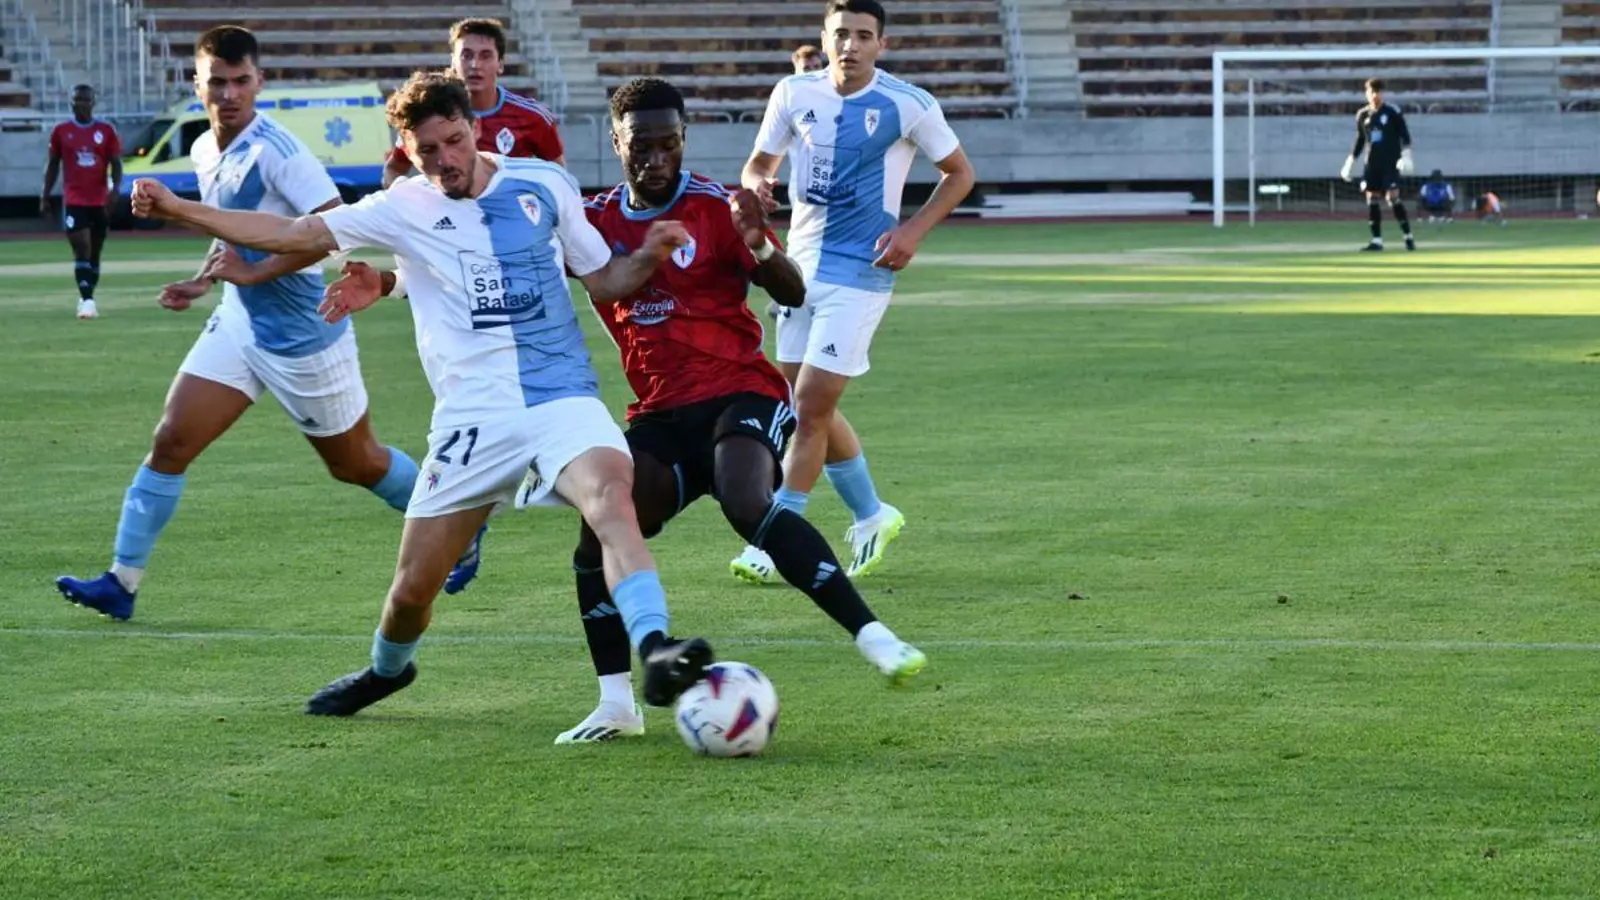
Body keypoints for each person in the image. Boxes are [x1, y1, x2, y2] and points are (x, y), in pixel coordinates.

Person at [325, 77, 929, 742]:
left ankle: (875, 637)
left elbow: (793, 292)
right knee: (598, 534)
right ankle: (617, 703)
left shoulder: (716, 207)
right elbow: (492, 269)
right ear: (617, 143)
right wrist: (388, 282)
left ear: (684, 139)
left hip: (740, 393)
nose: (656, 157)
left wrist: (759, 243)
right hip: (659, 414)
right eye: (642, 145)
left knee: (745, 499)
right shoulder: (591, 217)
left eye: (669, 143)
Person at [130, 69, 712, 716]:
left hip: (560, 397)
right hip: (471, 418)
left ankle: (656, 647)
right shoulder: (403, 206)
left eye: (454, 142)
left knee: (610, 500)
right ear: (407, 150)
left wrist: (649, 256)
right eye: (427, 151)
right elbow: (294, 235)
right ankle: (387, 671)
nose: (445, 161)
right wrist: (178, 208)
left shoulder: (544, 184)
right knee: (411, 593)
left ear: (475, 129)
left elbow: (602, 279)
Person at [53, 27, 475, 622]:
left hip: (304, 335)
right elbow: (230, 228)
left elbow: (334, 233)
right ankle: (121, 583)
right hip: (240, 324)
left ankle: (459, 522)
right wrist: (205, 281)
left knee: (356, 463)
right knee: (171, 440)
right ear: (197, 85)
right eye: (217, 82)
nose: (228, 94)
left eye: (240, 81)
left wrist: (253, 274)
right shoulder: (205, 147)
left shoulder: (279, 151)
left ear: (259, 82)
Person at [731, 0, 976, 585]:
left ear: (881, 45)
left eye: (864, 35)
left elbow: (960, 173)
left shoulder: (908, 104)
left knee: (809, 406)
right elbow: (756, 164)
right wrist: (759, 185)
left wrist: (913, 230)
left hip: (863, 271)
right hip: (796, 269)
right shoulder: (793, 93)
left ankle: (774, 537)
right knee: (805, 404)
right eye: (841, 34)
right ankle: (872, 513)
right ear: (824, 38)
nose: (851, 45)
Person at [381, 17, 563, 187]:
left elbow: (559, 177)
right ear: (453, 62)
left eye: (485, 56)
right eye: (466, 55)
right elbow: (393, 169)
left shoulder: (533, 117)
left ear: (500, 64)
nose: (475, 65)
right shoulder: (427, 113)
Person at [41, 84, 122, 320]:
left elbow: (116, 163)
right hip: (74, 199)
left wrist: (115, 190)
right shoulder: (61, 131)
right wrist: (45, 195)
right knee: (82, 247)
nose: (81, 104)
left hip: (99, 200)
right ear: (71, 103)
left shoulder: (105, 130)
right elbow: (53, 164)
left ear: (93, 102)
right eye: (77, 100)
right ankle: (87, 300)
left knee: (94, 252)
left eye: (86, 100)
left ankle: (87, 295)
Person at [1340, 78, 1415, 252]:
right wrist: (1350, 162)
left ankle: (1408, 237)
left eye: (1378, 92)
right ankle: (1377, 241)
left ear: (1383, 93)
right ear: (1367, 94)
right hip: (1372, 163)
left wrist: (1406, 156)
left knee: (1393, 197)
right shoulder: (1362, 115)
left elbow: (1405, 135)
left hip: (1390, 162)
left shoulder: (1392, 112)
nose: (1375, 95)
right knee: (1371, 198)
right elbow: (1361, 140)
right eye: (1372, 92)